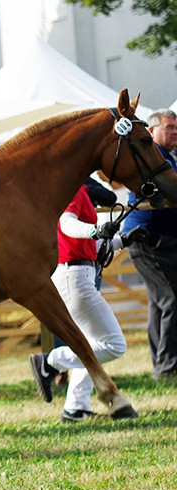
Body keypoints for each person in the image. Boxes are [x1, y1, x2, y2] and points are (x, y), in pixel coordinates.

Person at [29, 183, 147, 421]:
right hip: (75, 278)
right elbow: (68, 225)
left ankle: (75, 407)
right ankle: (50, 362)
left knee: (91, 342)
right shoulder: (71, 188)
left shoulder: (77, 188)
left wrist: (122, 241)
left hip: (77, 274)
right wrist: (96, 229)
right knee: (113, 344)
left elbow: (88, 245)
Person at [123, 108, 177, 380]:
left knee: (161, 302)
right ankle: (166, 368)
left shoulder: (171, 158)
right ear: (152, 131)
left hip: (167, 241)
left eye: (176, 127)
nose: (175, 131)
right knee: (169, 299)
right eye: (169, 127)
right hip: (146, 239)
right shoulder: (149, 158)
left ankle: (163, 364)